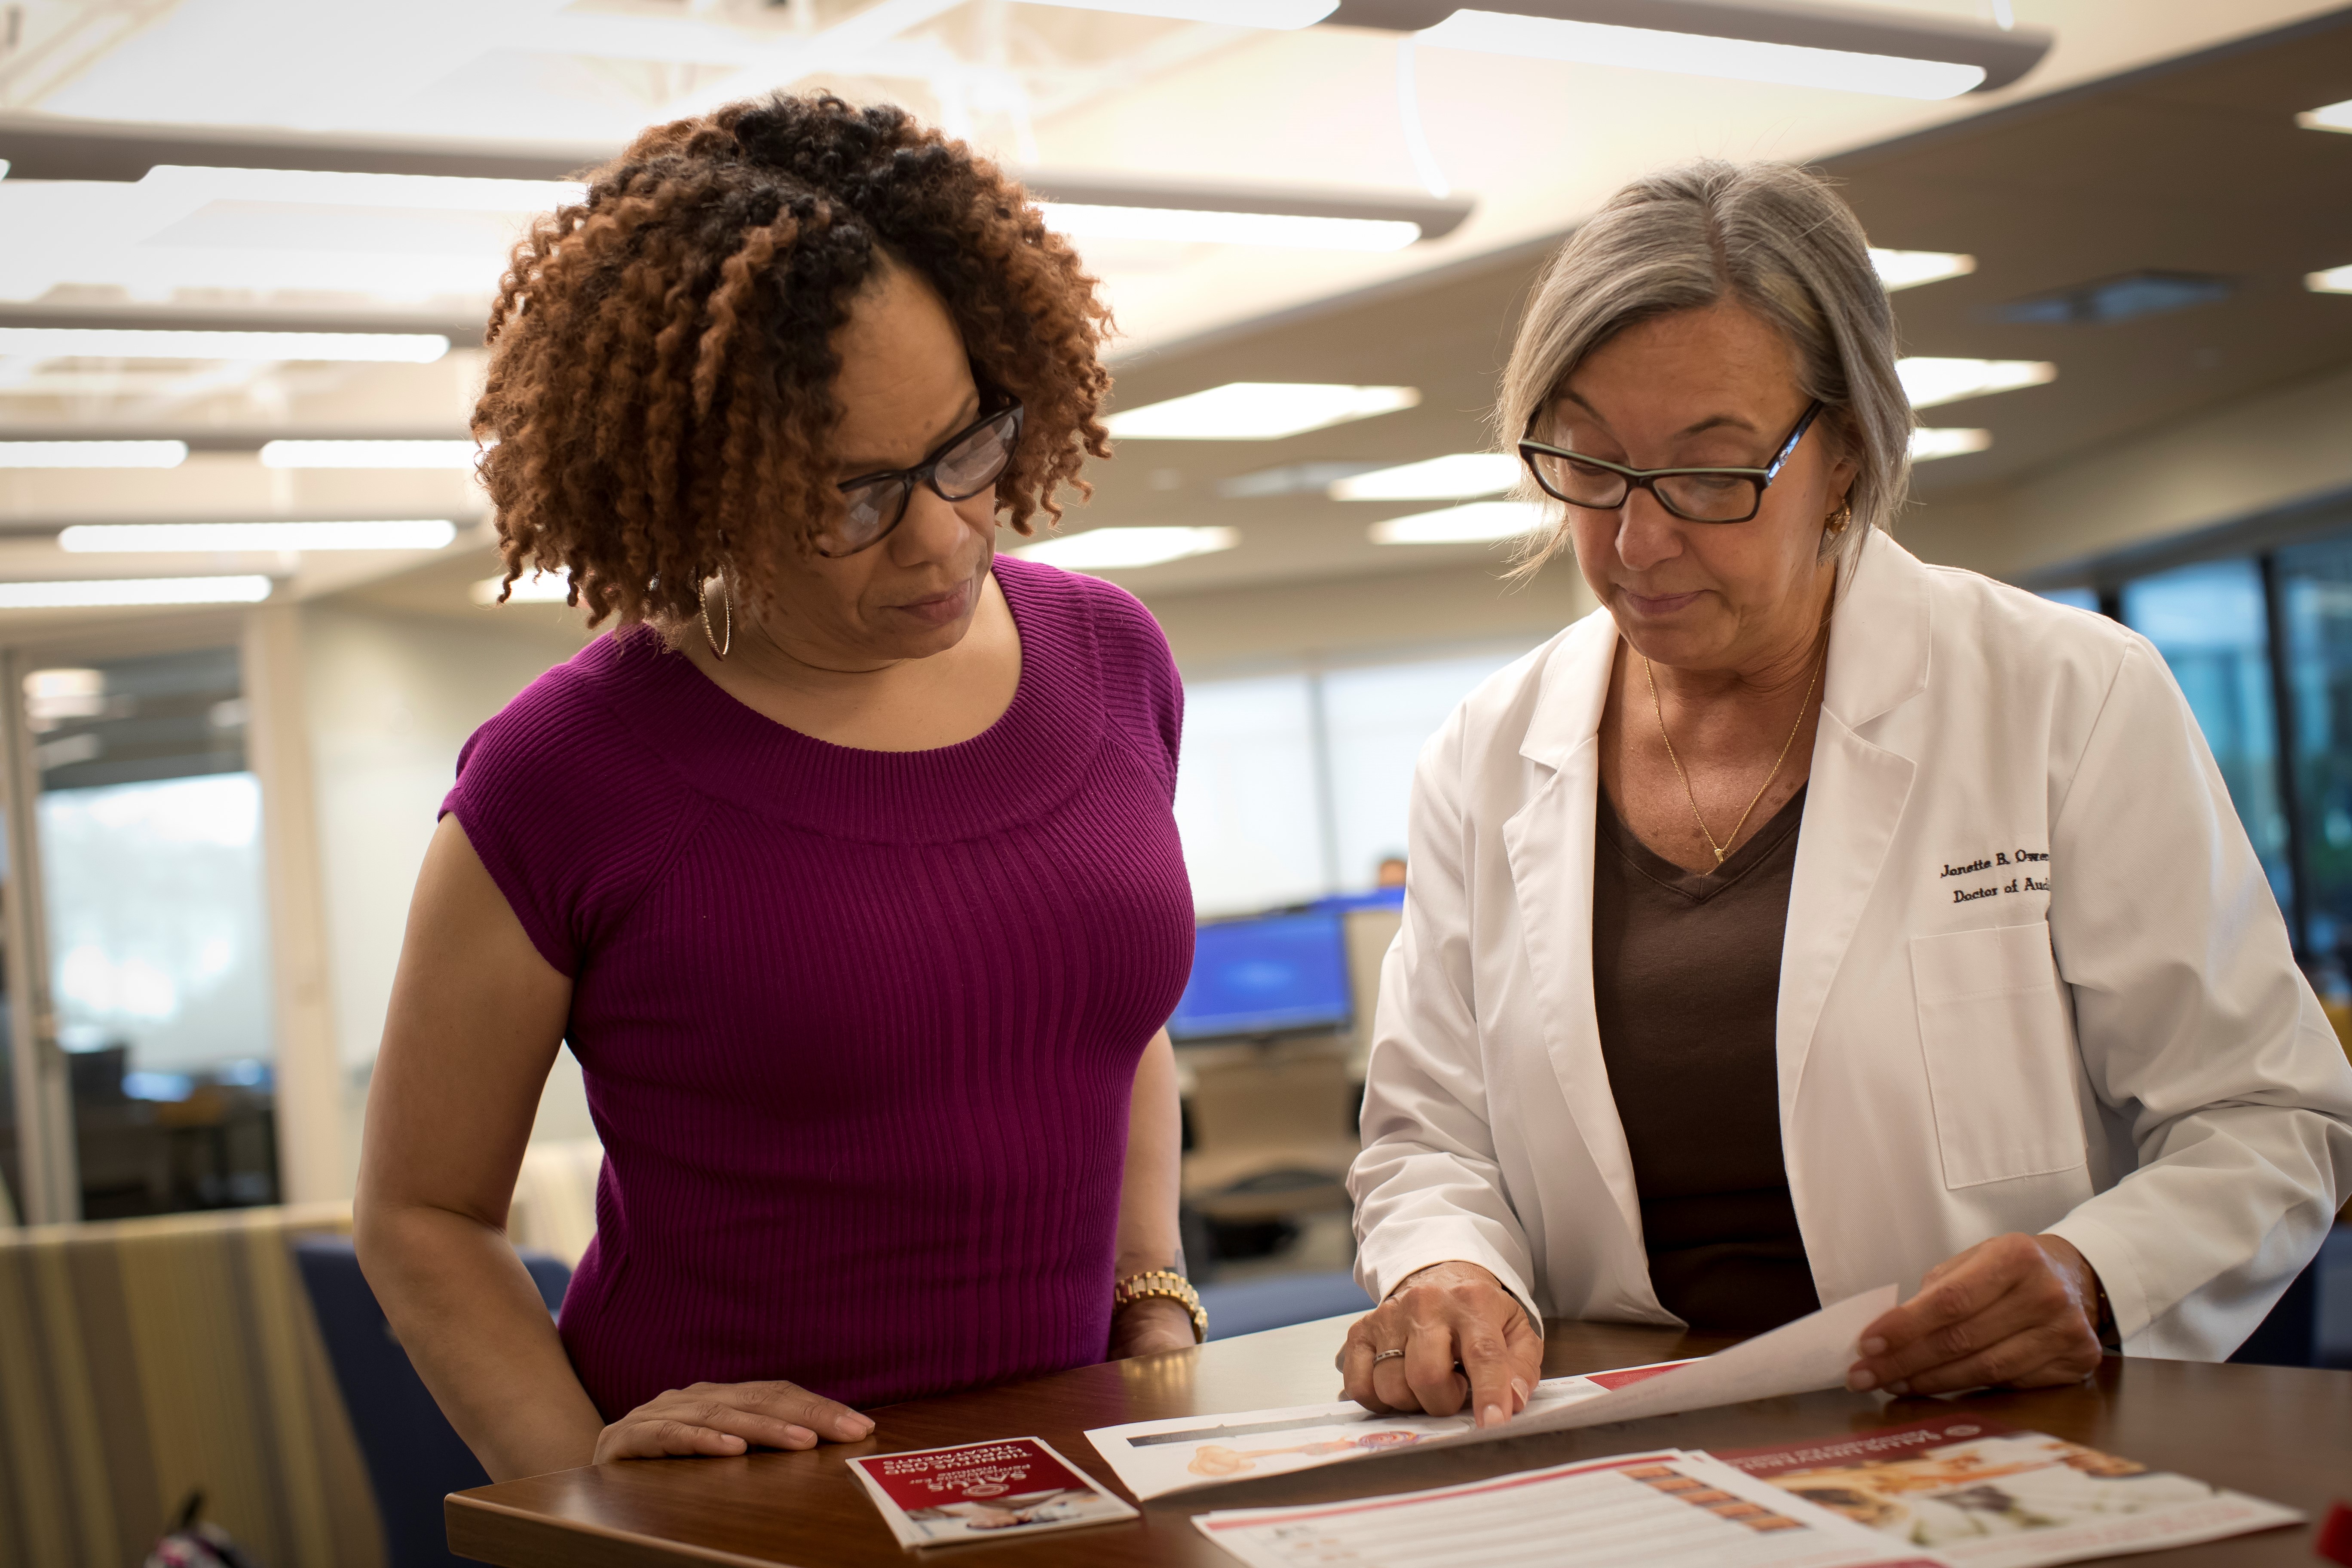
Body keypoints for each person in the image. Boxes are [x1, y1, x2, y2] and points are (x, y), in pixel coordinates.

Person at [1338, 158, 2352, 1430]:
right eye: (1589, 465)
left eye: (1712, 475)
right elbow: (1429, 1135)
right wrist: (1449, 1266)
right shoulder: (1488, 755)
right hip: (1620, 1431)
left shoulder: (2063, 696)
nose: (1637, 542)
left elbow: (2267, 1117)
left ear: (1852, 457)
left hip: (1999, 1430)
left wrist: (2097, 1275)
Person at [353, 93, 1205, 1484]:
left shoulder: (1110, 660)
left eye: (963, 451)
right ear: (699, 487)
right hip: (743, 1511)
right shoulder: (566, 776)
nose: (942, 539)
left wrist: (1151, 1282)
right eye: (851, 494)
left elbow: (1108, 1008)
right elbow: (422, 1214)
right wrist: (588, 1488)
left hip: (1069, 1476)